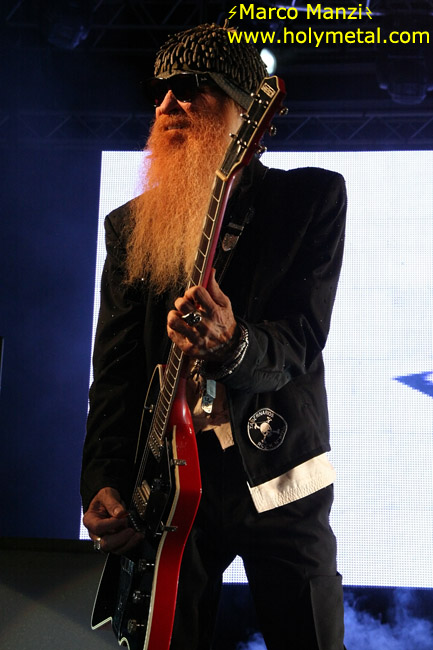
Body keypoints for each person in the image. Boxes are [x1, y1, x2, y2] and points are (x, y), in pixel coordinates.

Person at [81, 22, 347, 650]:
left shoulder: (308, 199)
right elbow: (115, 373)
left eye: (193, 86)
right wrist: (103, 481)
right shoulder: (129, 228)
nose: (168, 103)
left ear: (245, 111)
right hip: (168, 488)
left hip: (280, 473)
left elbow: (301, 337)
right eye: (161, 92)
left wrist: (233, 345)